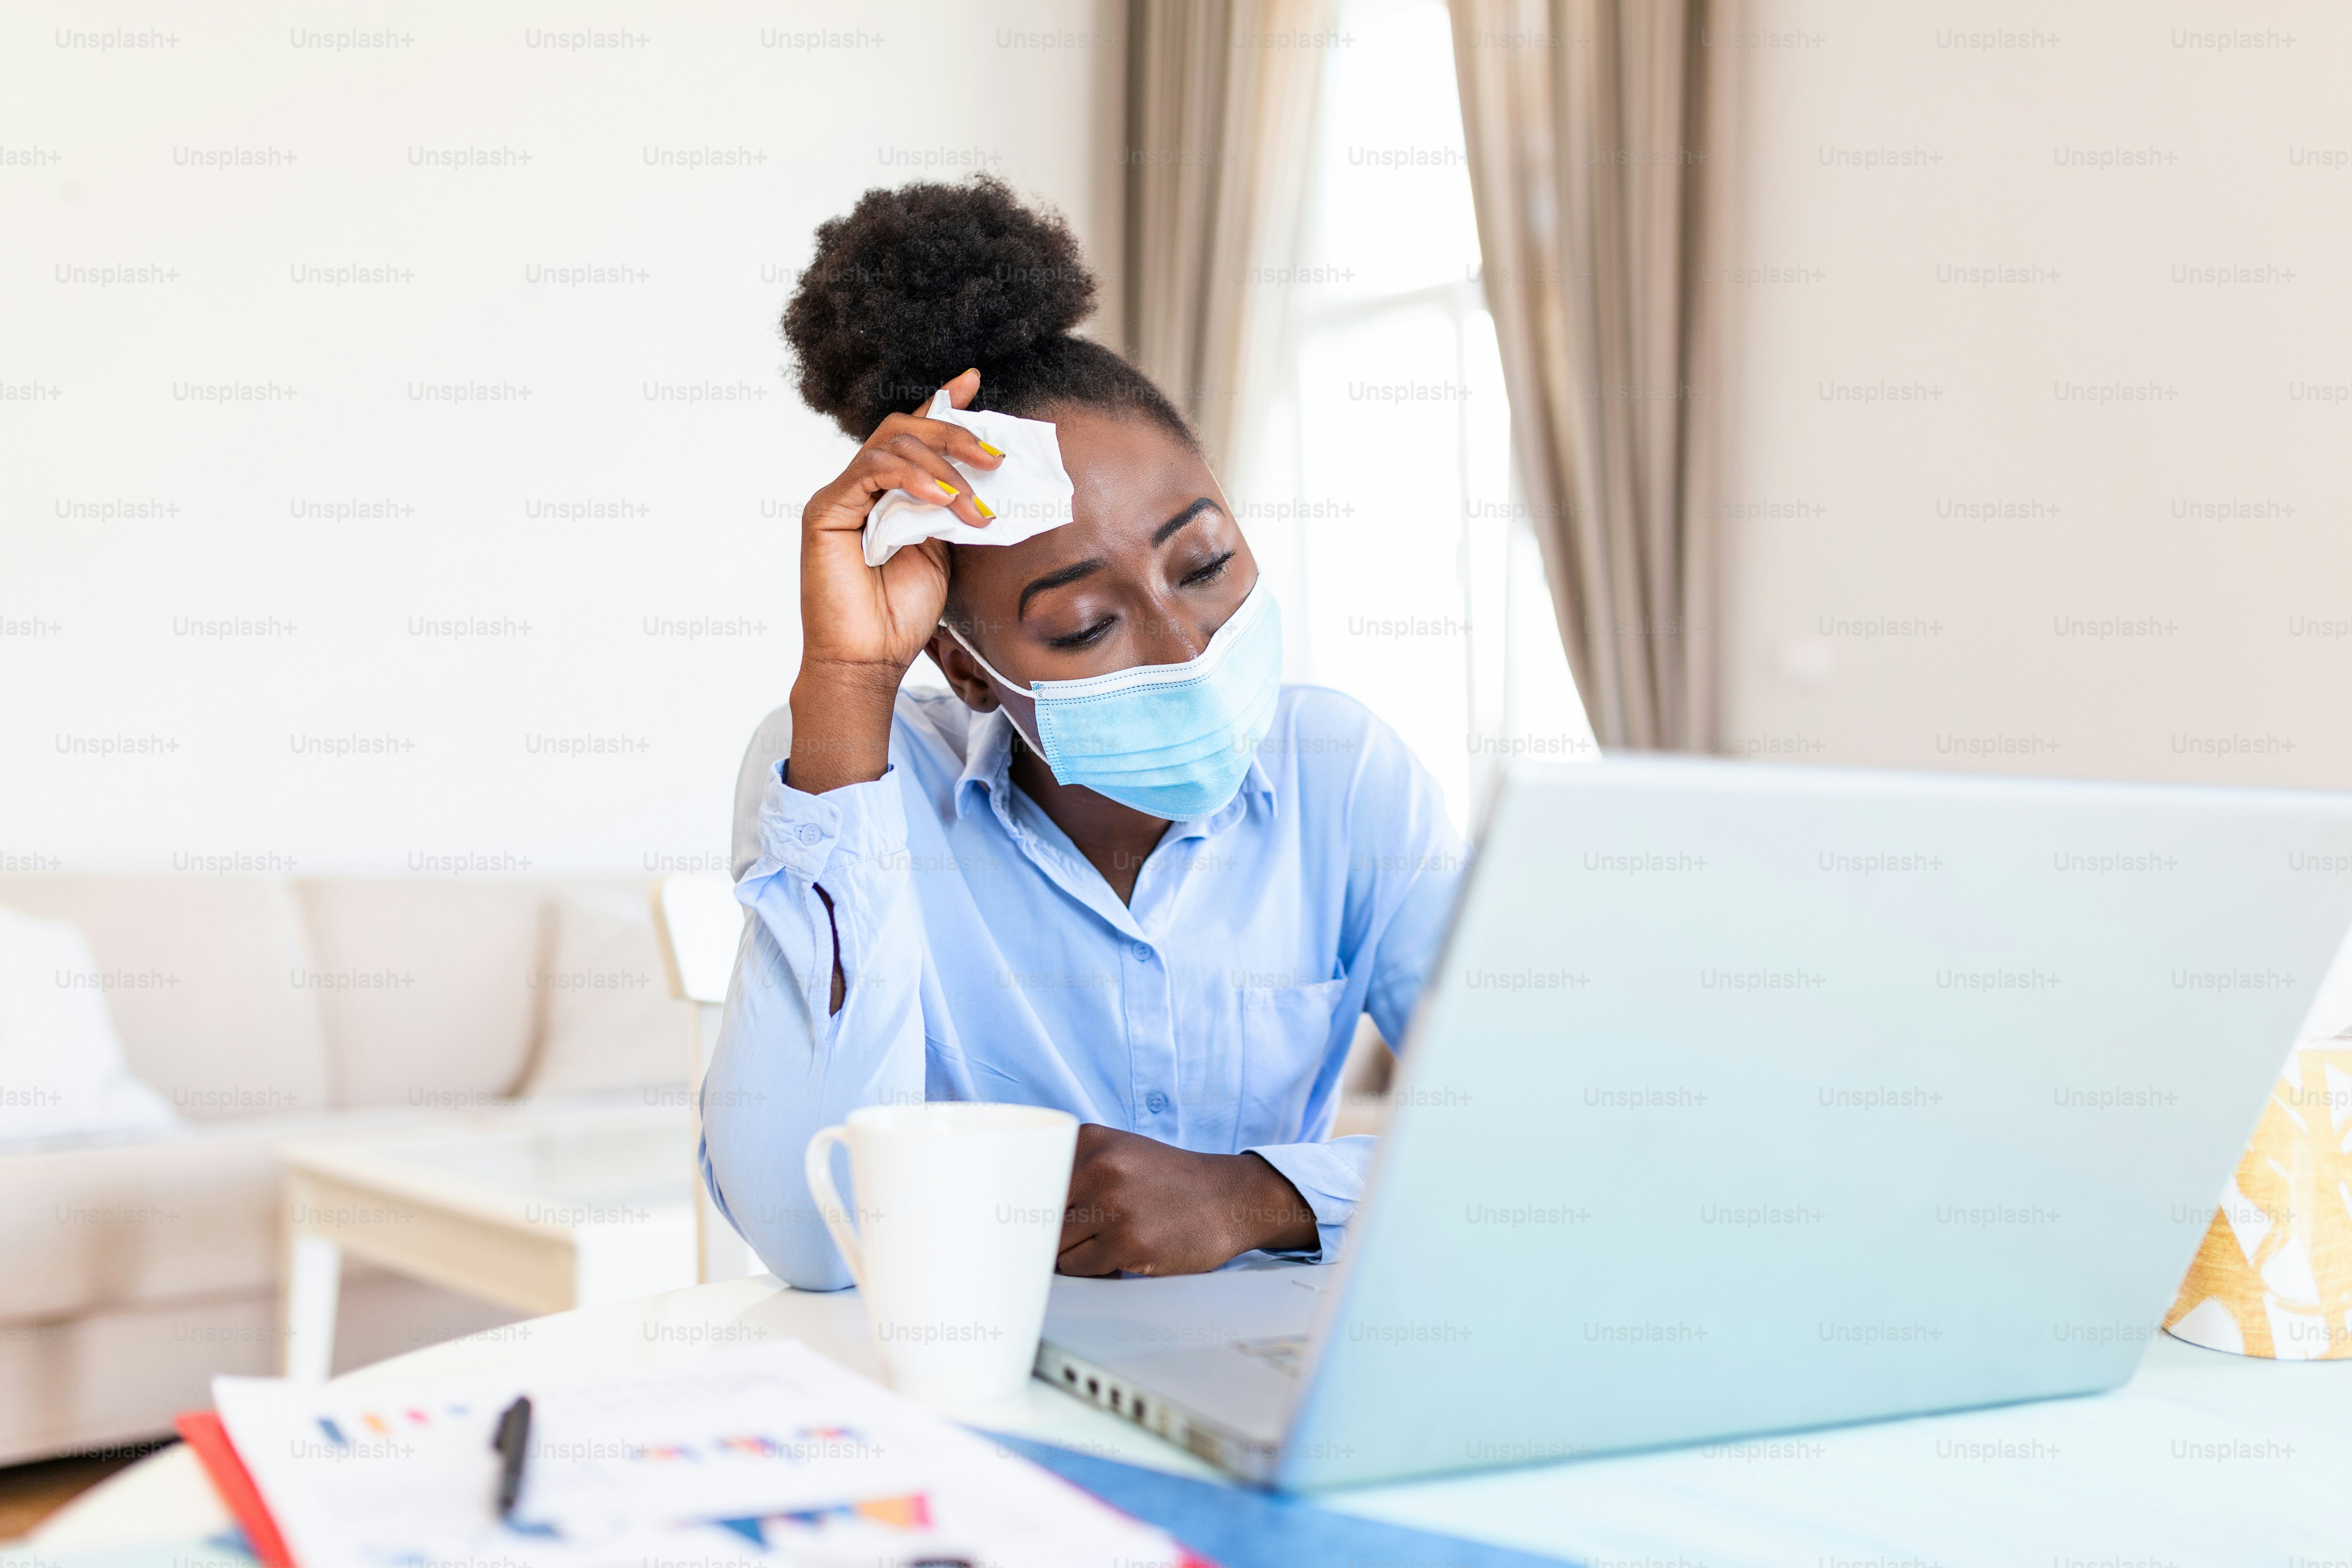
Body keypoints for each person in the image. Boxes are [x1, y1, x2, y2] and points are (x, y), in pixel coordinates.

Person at [700, 176, 1467, 1290]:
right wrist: (850, 681)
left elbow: (1533, 1143)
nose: (1182, 642)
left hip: (1266, 1364)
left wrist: (1261, 1195)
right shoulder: (856, 774)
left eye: (1205, 564)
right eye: (1084, 624)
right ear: (966, 669)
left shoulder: (1343, 779)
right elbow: (810, 1235)